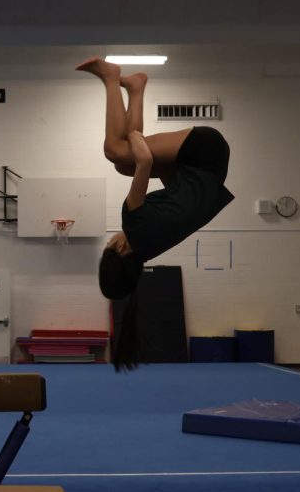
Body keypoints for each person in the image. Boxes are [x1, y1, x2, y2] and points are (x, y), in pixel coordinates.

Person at [78, 57, 234, 372]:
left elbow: (168, 192)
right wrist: (134, 137)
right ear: (119, 249)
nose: (111, 239)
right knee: (115, 150)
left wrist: (136, 147)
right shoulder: (133, 221)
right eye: (110, 245)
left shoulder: (151, 247)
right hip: (204, 153)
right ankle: (110, 78)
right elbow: (145, 160)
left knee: (124, 164)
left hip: (205, 173)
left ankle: (135, 87)